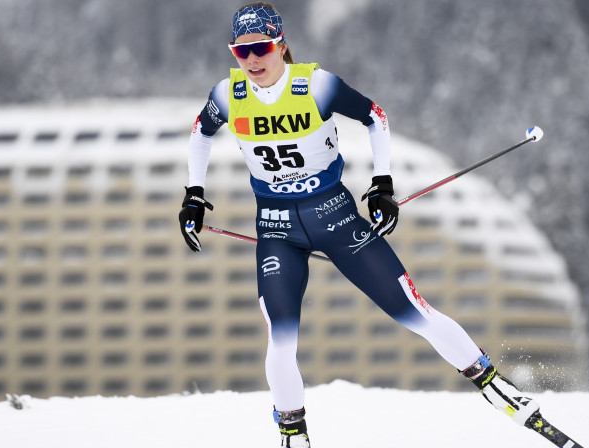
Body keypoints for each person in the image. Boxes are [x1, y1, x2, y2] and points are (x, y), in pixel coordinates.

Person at [178, 3, 544, 447]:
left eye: (261, 48)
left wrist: (382, 183)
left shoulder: (314, 85)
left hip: (335, 217)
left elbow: (376, 117)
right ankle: (293, 432)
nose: (252, 60)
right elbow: (201, 133)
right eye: (241, 52)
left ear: (281, 45)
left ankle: (493, 383)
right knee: (281, 336)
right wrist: (194, 194)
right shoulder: (227, 94)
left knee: (414, 311)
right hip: (276, 230)